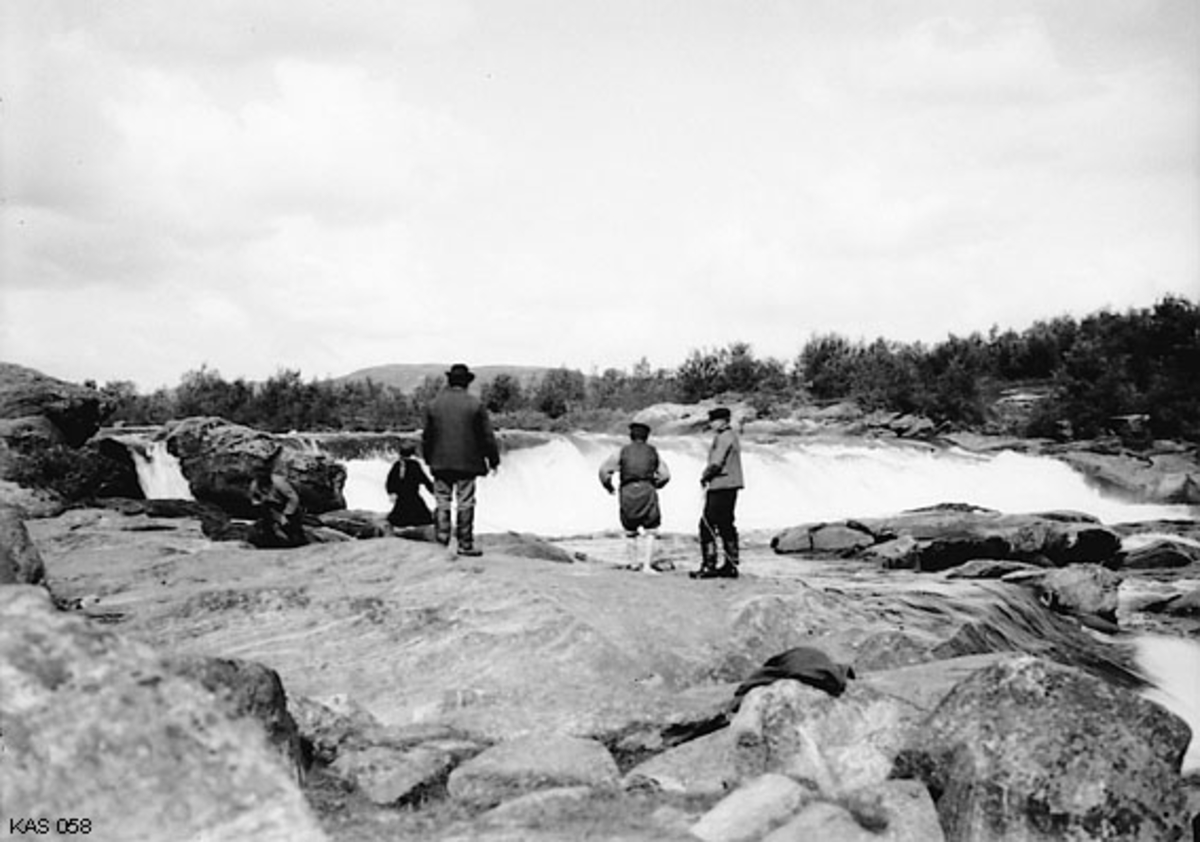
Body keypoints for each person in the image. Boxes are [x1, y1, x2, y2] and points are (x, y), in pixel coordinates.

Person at [421, 363, 501, 556]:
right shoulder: (475, 405)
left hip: (440, 462)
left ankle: (441, 542)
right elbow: (487, 437)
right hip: (467, 463)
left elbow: (427, 437)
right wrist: (493, 460)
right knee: (465, 502)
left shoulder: (434, 405)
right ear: (466, 383)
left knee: (442, 501)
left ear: (449, 381)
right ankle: (465, 544)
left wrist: (428, 458)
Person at [598, 421, 671, 574]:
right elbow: (665, 475)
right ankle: (646, 566)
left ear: (631, 436)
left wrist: (608, 487)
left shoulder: (621, 451)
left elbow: (604, 471)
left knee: (630, 528)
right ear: (647, 437)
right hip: (647, 489)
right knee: (651, 528)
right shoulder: (653, 452)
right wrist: (656, 486)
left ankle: (633, 563)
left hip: (627, 490)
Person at [691, 406, 743, 579]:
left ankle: (709, 565)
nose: (711, 424)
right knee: (726, 525)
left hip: (720, 485)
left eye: (713, 420)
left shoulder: (722, 438)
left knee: (706, 525)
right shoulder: (732, 436)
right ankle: (731, 564)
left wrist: (704, 477)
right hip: (732, 484)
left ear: (722, 421)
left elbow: (716, 463)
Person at [248, 446, 307, 548]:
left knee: (294, 534)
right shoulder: (255, 484)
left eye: (264, 472)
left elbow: (293, 499)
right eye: (259, 473)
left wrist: (285, 515)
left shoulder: (279, 482)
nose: (261, 475)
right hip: (269, 510)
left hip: (288, 509)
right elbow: (254, 499)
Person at [385, 441, 435, 531]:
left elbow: (389, 482)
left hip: (401, 501)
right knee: (425, 519)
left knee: (396, 520)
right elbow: (425, 480)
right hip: (414, 500)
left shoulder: (397, 465)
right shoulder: (415, 465)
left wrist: (391, 492)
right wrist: (434, 492)